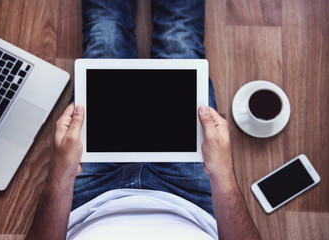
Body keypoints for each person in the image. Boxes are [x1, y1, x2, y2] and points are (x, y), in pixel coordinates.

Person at [26, 0, 262, 239]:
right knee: (181, 39)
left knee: (104, 34)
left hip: (88, 203)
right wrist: (224, 175)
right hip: (190, 201)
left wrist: (59, 177)